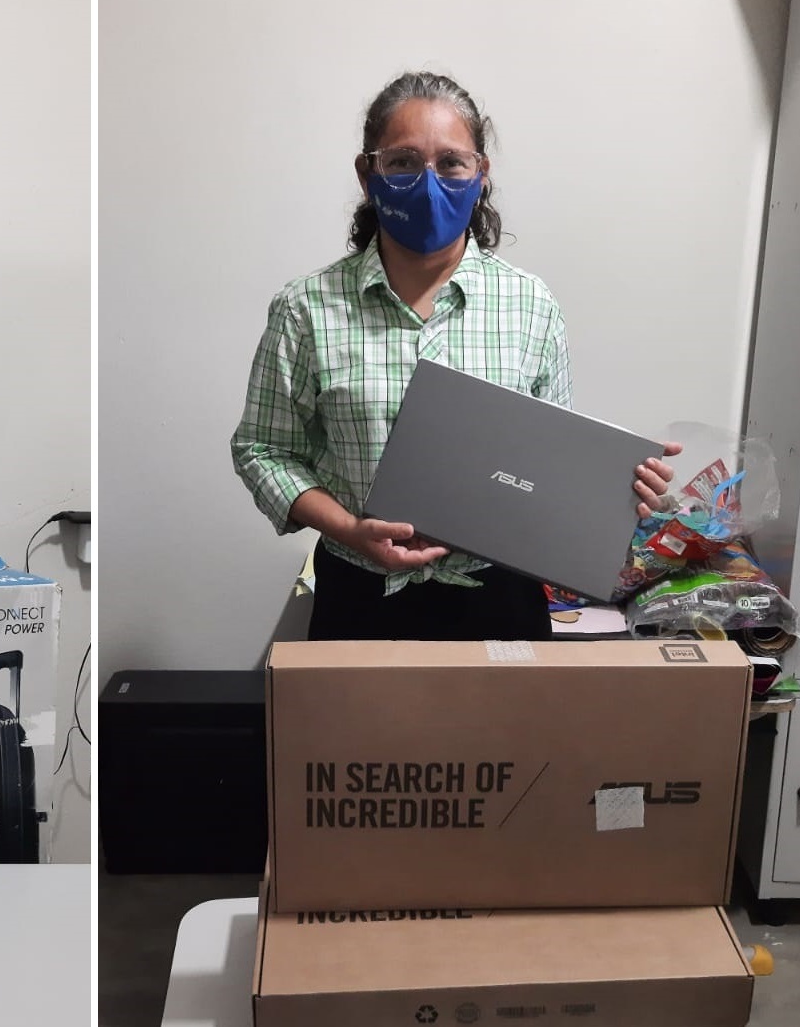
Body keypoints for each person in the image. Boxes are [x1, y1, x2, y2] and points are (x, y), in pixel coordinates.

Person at [227, 71, 675, 641]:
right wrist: (348, 528)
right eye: (403, 162)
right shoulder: (306, 307)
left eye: (451, 163)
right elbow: (263, 450)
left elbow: (545, 467)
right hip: (359, 595)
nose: (428, 182)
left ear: (480, 173)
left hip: (499, 598)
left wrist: (613, 493)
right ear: (367, 174)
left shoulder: (530, 304)